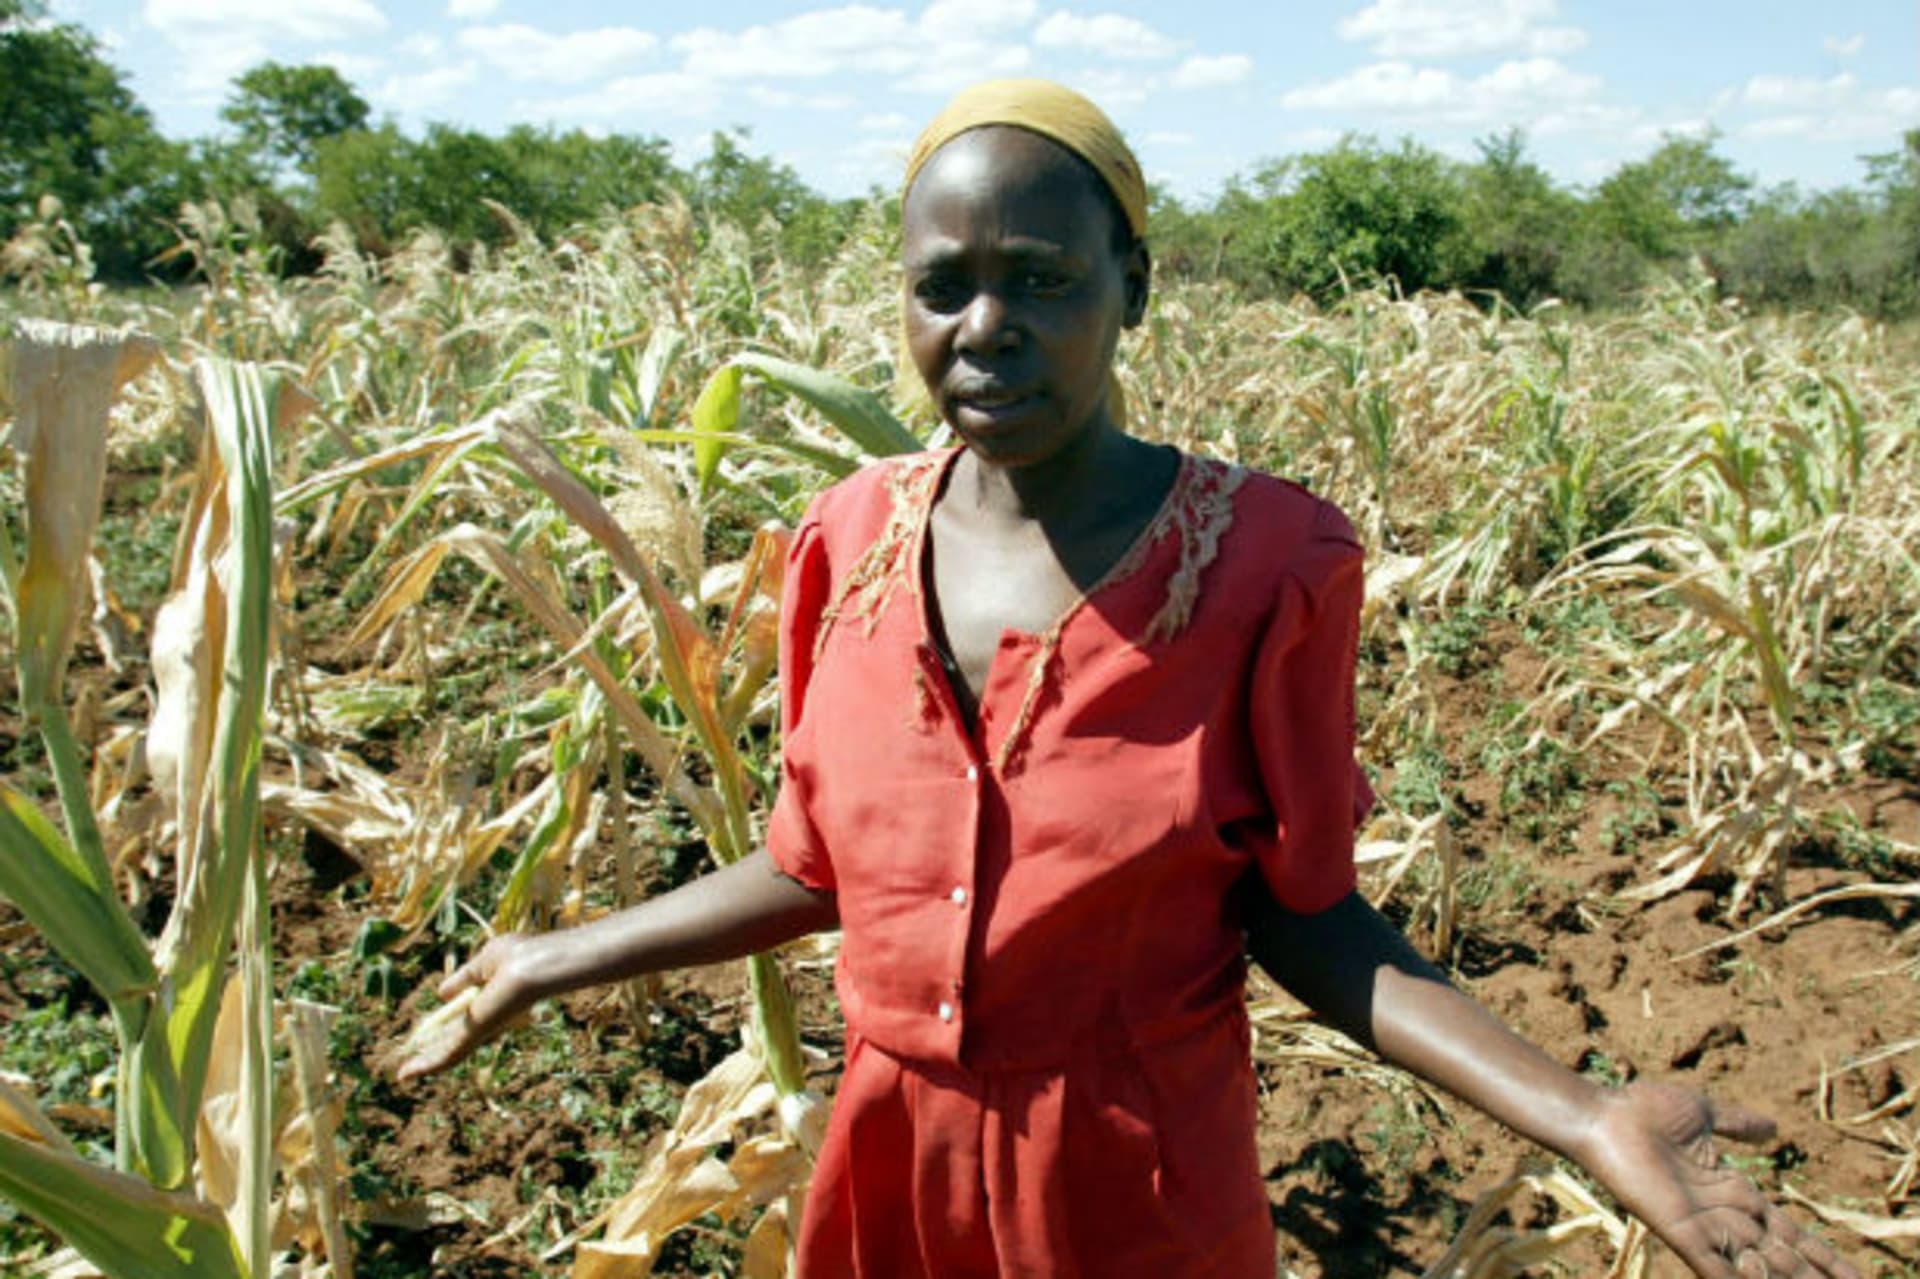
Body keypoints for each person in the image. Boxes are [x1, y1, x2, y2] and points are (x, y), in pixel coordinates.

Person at [400, 80, 1859, 1279]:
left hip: (1135, 1192)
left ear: (1133, 287)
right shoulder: (844, 542)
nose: (986, 329)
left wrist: (1586, 1115)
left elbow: (1313, 924)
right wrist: (552, 952)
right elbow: (829, 865)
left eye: (1040, 280)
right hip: (891, 1174)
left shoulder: (1268, 564)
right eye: (943, 288)